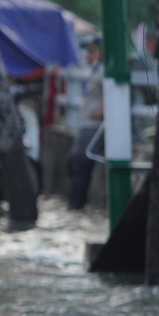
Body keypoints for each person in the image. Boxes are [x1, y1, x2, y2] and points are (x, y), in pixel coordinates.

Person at [67, 33, 105, 210]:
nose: (87, 55)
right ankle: (76, 206)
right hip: (87, 125)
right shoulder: (96, 70)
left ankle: (76, 206)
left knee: (80, 165)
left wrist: (100, 113)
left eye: (92, 51)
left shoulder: (104, 71)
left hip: (94, 126)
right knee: (73, 163)